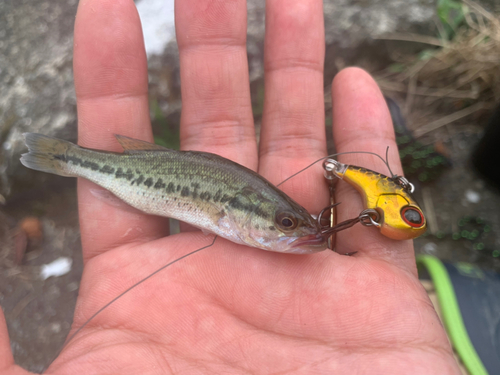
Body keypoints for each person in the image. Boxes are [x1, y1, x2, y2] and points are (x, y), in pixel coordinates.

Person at [0, 0, 461, 373]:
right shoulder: (221, 210)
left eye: (287, 222)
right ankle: (64, 157)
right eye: (285, 221)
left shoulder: (244, 215)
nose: (293, 229)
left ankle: (64, 156)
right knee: (84, 161)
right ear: (234, 211)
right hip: (123, 173)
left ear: (233, 211)